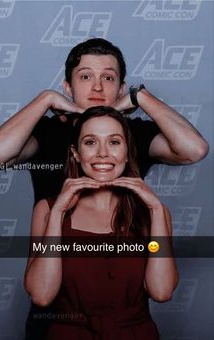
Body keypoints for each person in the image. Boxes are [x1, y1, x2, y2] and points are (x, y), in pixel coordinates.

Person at [0, 38, 208, 203]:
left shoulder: (134, 132)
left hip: (122, 252)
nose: (97, 86)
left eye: (108, 78)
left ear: (120, 89)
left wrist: (140, 96)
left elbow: (194, 150)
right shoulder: (47, 130)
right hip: (54, 257)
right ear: (68, 87)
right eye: (86, 76)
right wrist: (45, 98)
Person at [24, 106, 178, 339]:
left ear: (127, 152)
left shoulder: (154, 213)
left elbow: (162, 291)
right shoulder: (47, 210)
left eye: (114, 142)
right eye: (90, 142)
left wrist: (156, 210)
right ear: (76, 153)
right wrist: (57, 215)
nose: (103, 153)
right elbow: (41, 295)